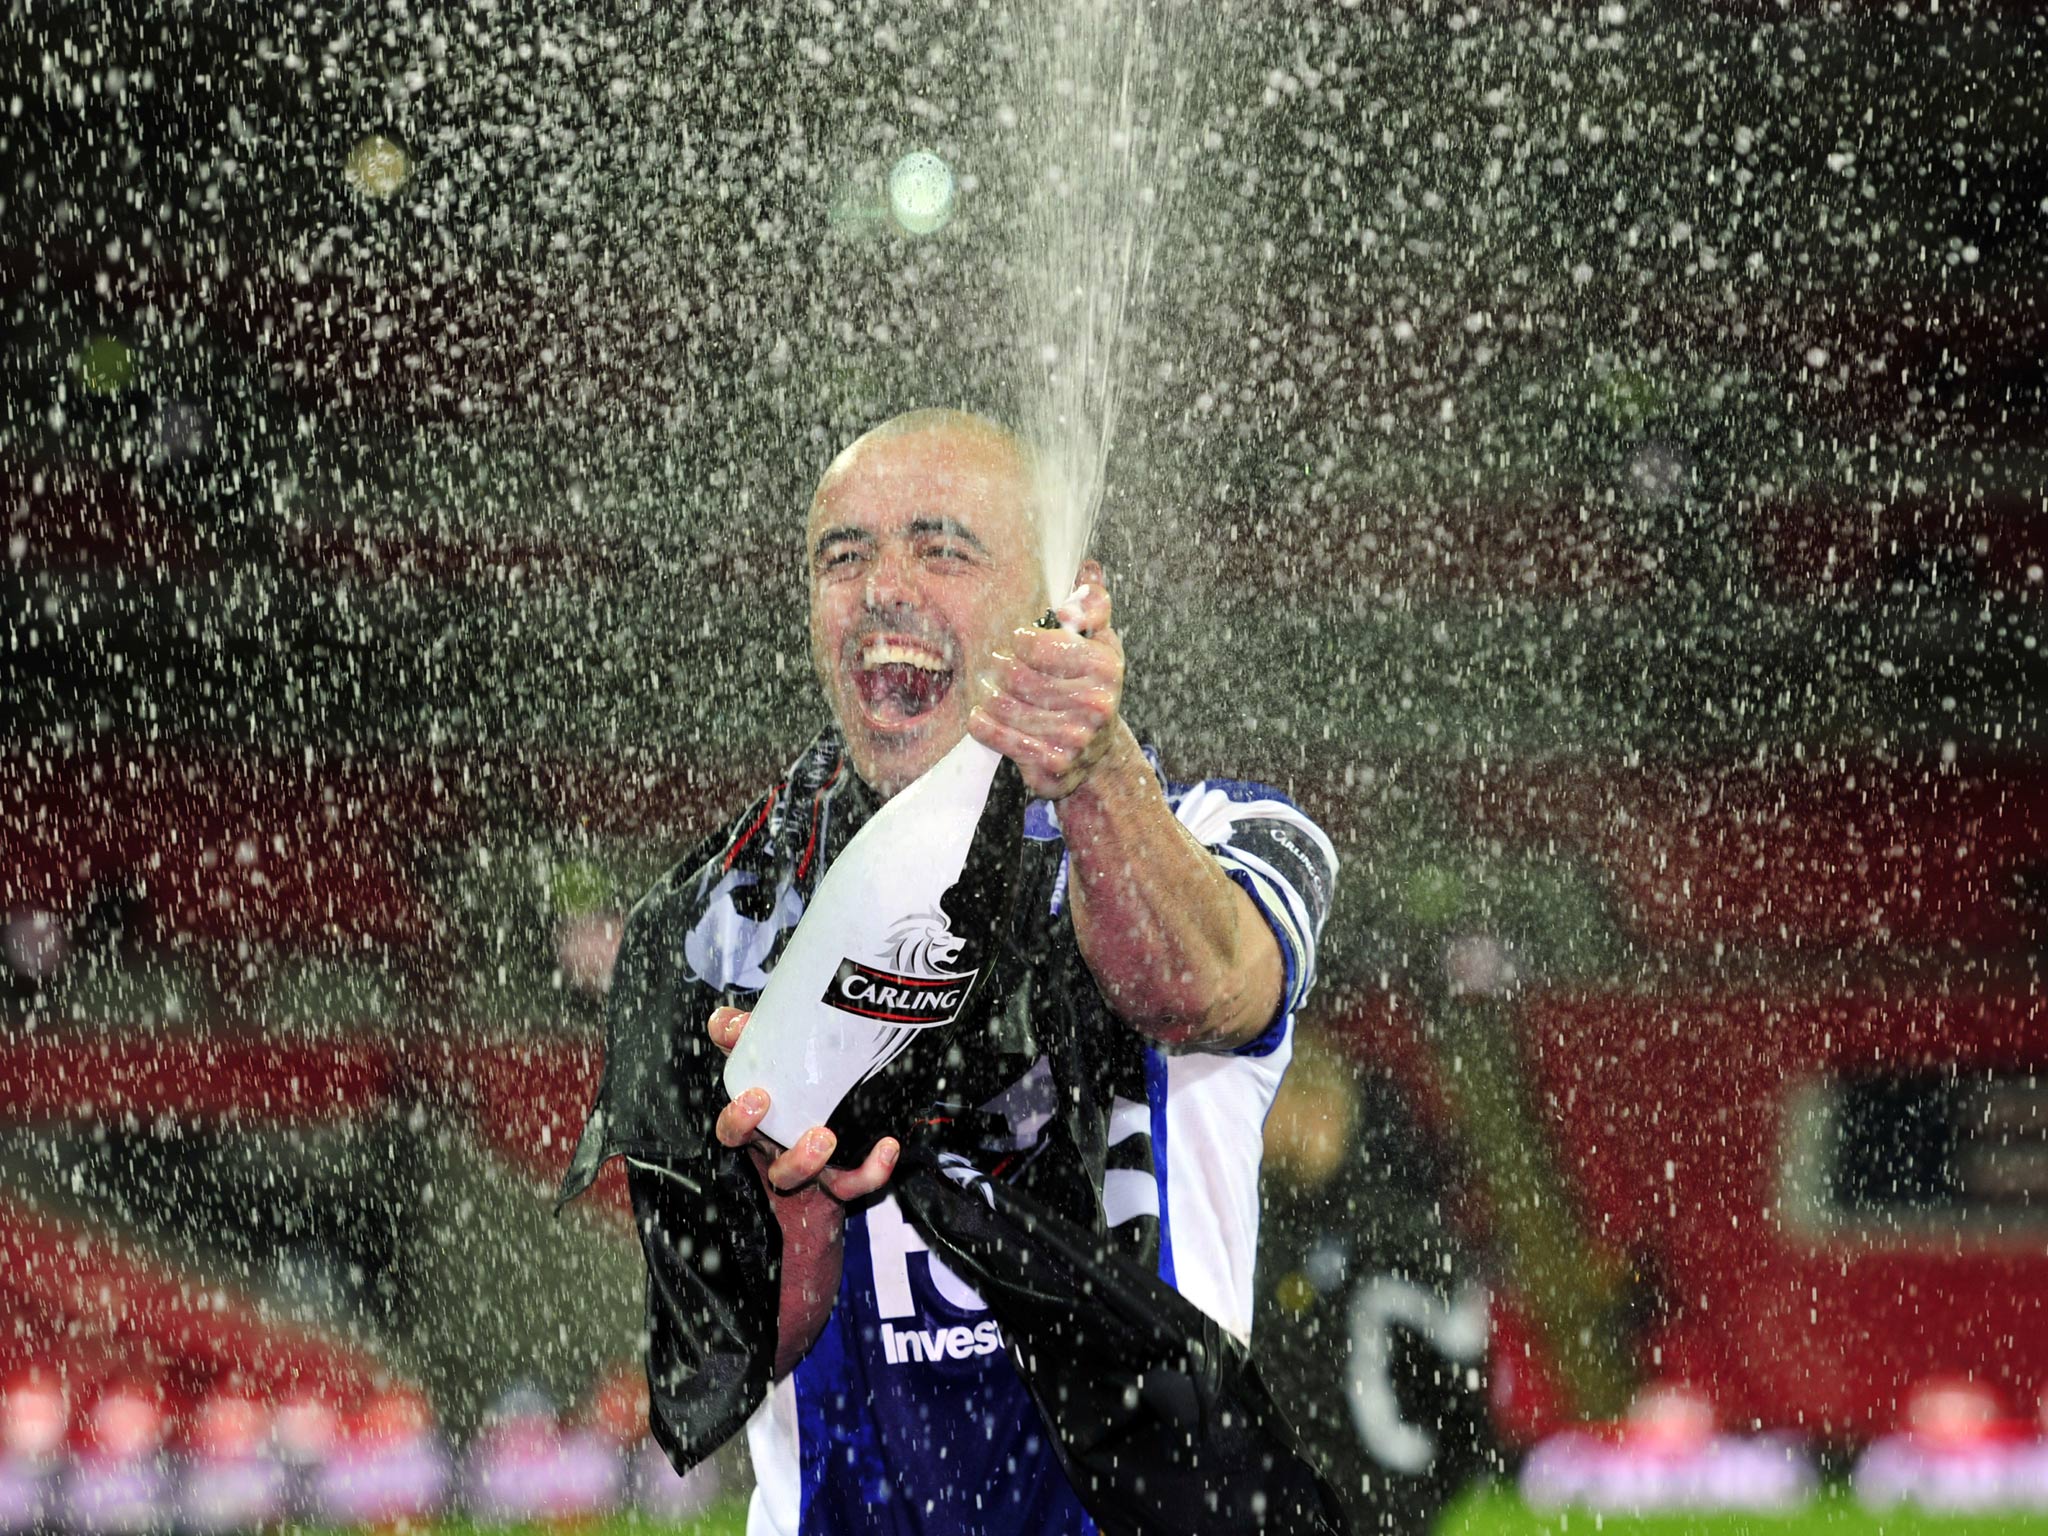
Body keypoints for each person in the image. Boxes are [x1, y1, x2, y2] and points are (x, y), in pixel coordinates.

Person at [559, 409, 1341, 1534]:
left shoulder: (1224, 835)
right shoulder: (721, 923)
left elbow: (1195, 985)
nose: (882, 586)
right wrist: (801, 1207)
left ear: (1060, 600)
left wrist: (1090, 768)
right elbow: (731, 1352)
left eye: (941, 548)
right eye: (843, 555)